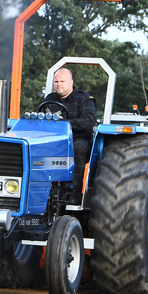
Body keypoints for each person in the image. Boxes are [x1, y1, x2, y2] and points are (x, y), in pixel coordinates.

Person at [41, 68, 97, 204]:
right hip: (54, 139)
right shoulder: (49, 99)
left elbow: (89, 120)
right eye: (56, 81)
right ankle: (42, 187)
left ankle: (74, 190)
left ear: (71, 82)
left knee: (77, 148)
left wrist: (65, 123)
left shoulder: (83, 98)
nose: (59, 84)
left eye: (62, 81)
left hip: (78, 138)